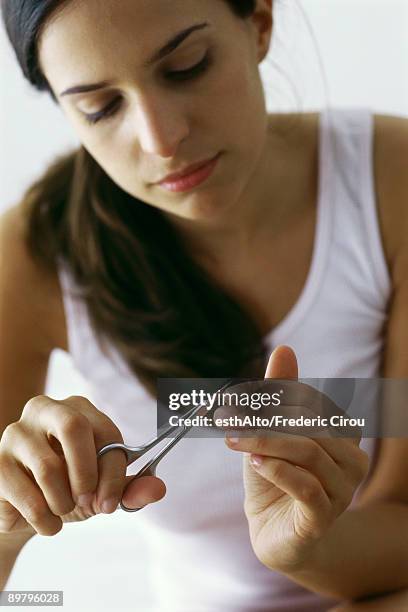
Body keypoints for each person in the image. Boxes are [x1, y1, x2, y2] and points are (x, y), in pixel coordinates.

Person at [0, 0, 407, 610]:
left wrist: (303, 546)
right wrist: (10, 528)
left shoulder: (390, 183)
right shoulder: (32, 256)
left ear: (260, 22)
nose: (162, 140)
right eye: (100, 108)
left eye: (187, 66)